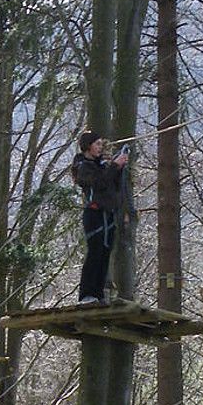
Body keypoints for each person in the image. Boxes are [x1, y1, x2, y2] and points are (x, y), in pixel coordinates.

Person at [71, 130, 128, 304]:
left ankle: (98, 294)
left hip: (108, 214)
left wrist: (119, 167)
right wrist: (114, 166)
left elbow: (112, 185)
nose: (100, 148)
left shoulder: (102, 165)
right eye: (97, 144)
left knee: (105, 254)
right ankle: (86, 294)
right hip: (94, 215)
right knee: (95, 252)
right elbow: (99, 182)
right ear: (88, 146)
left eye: (101, 144)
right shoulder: (83, 166)